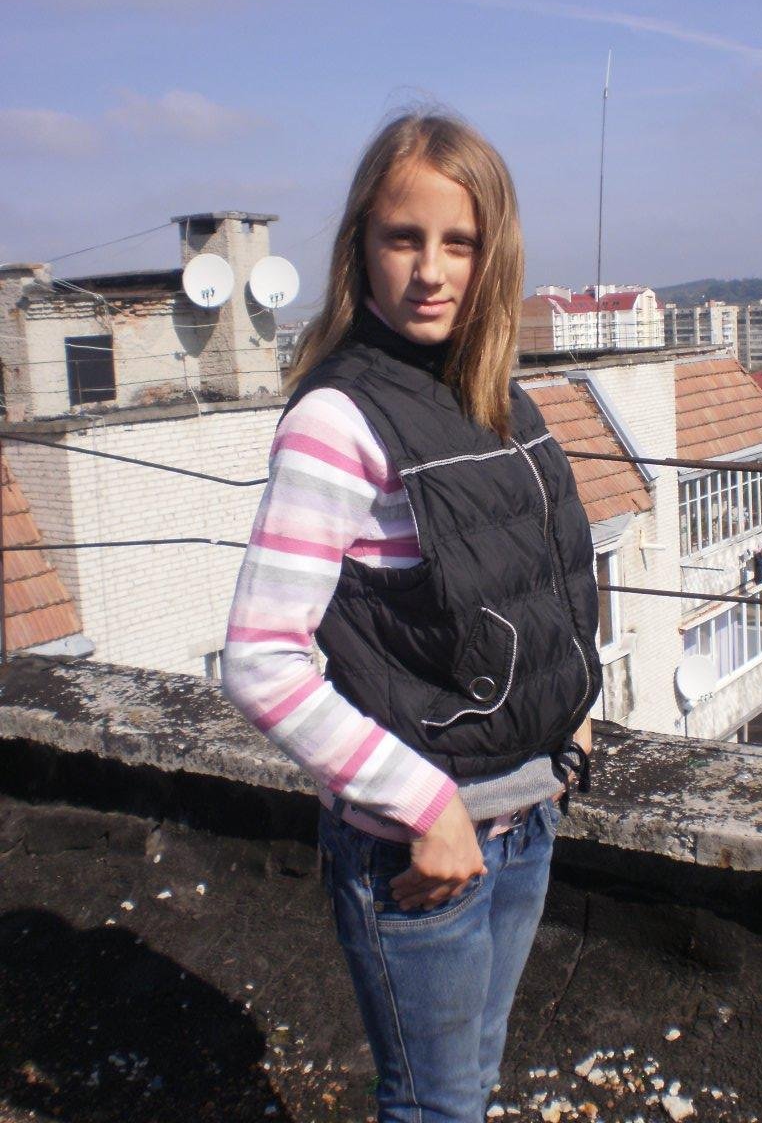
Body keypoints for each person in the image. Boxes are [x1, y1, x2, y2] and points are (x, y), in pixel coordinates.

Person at [222, 111, 600, 1122]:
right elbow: (260, 659)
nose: (431, 271)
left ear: (494, 255)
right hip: (420, 848)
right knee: (435, 1106)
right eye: (404, 238)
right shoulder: (337, 421)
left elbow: (535, 580)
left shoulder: (496, 397)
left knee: (470, 1084)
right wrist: (425, 809)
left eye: (459, 242)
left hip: (523, 815)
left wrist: (571, 713)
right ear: (361, 247)